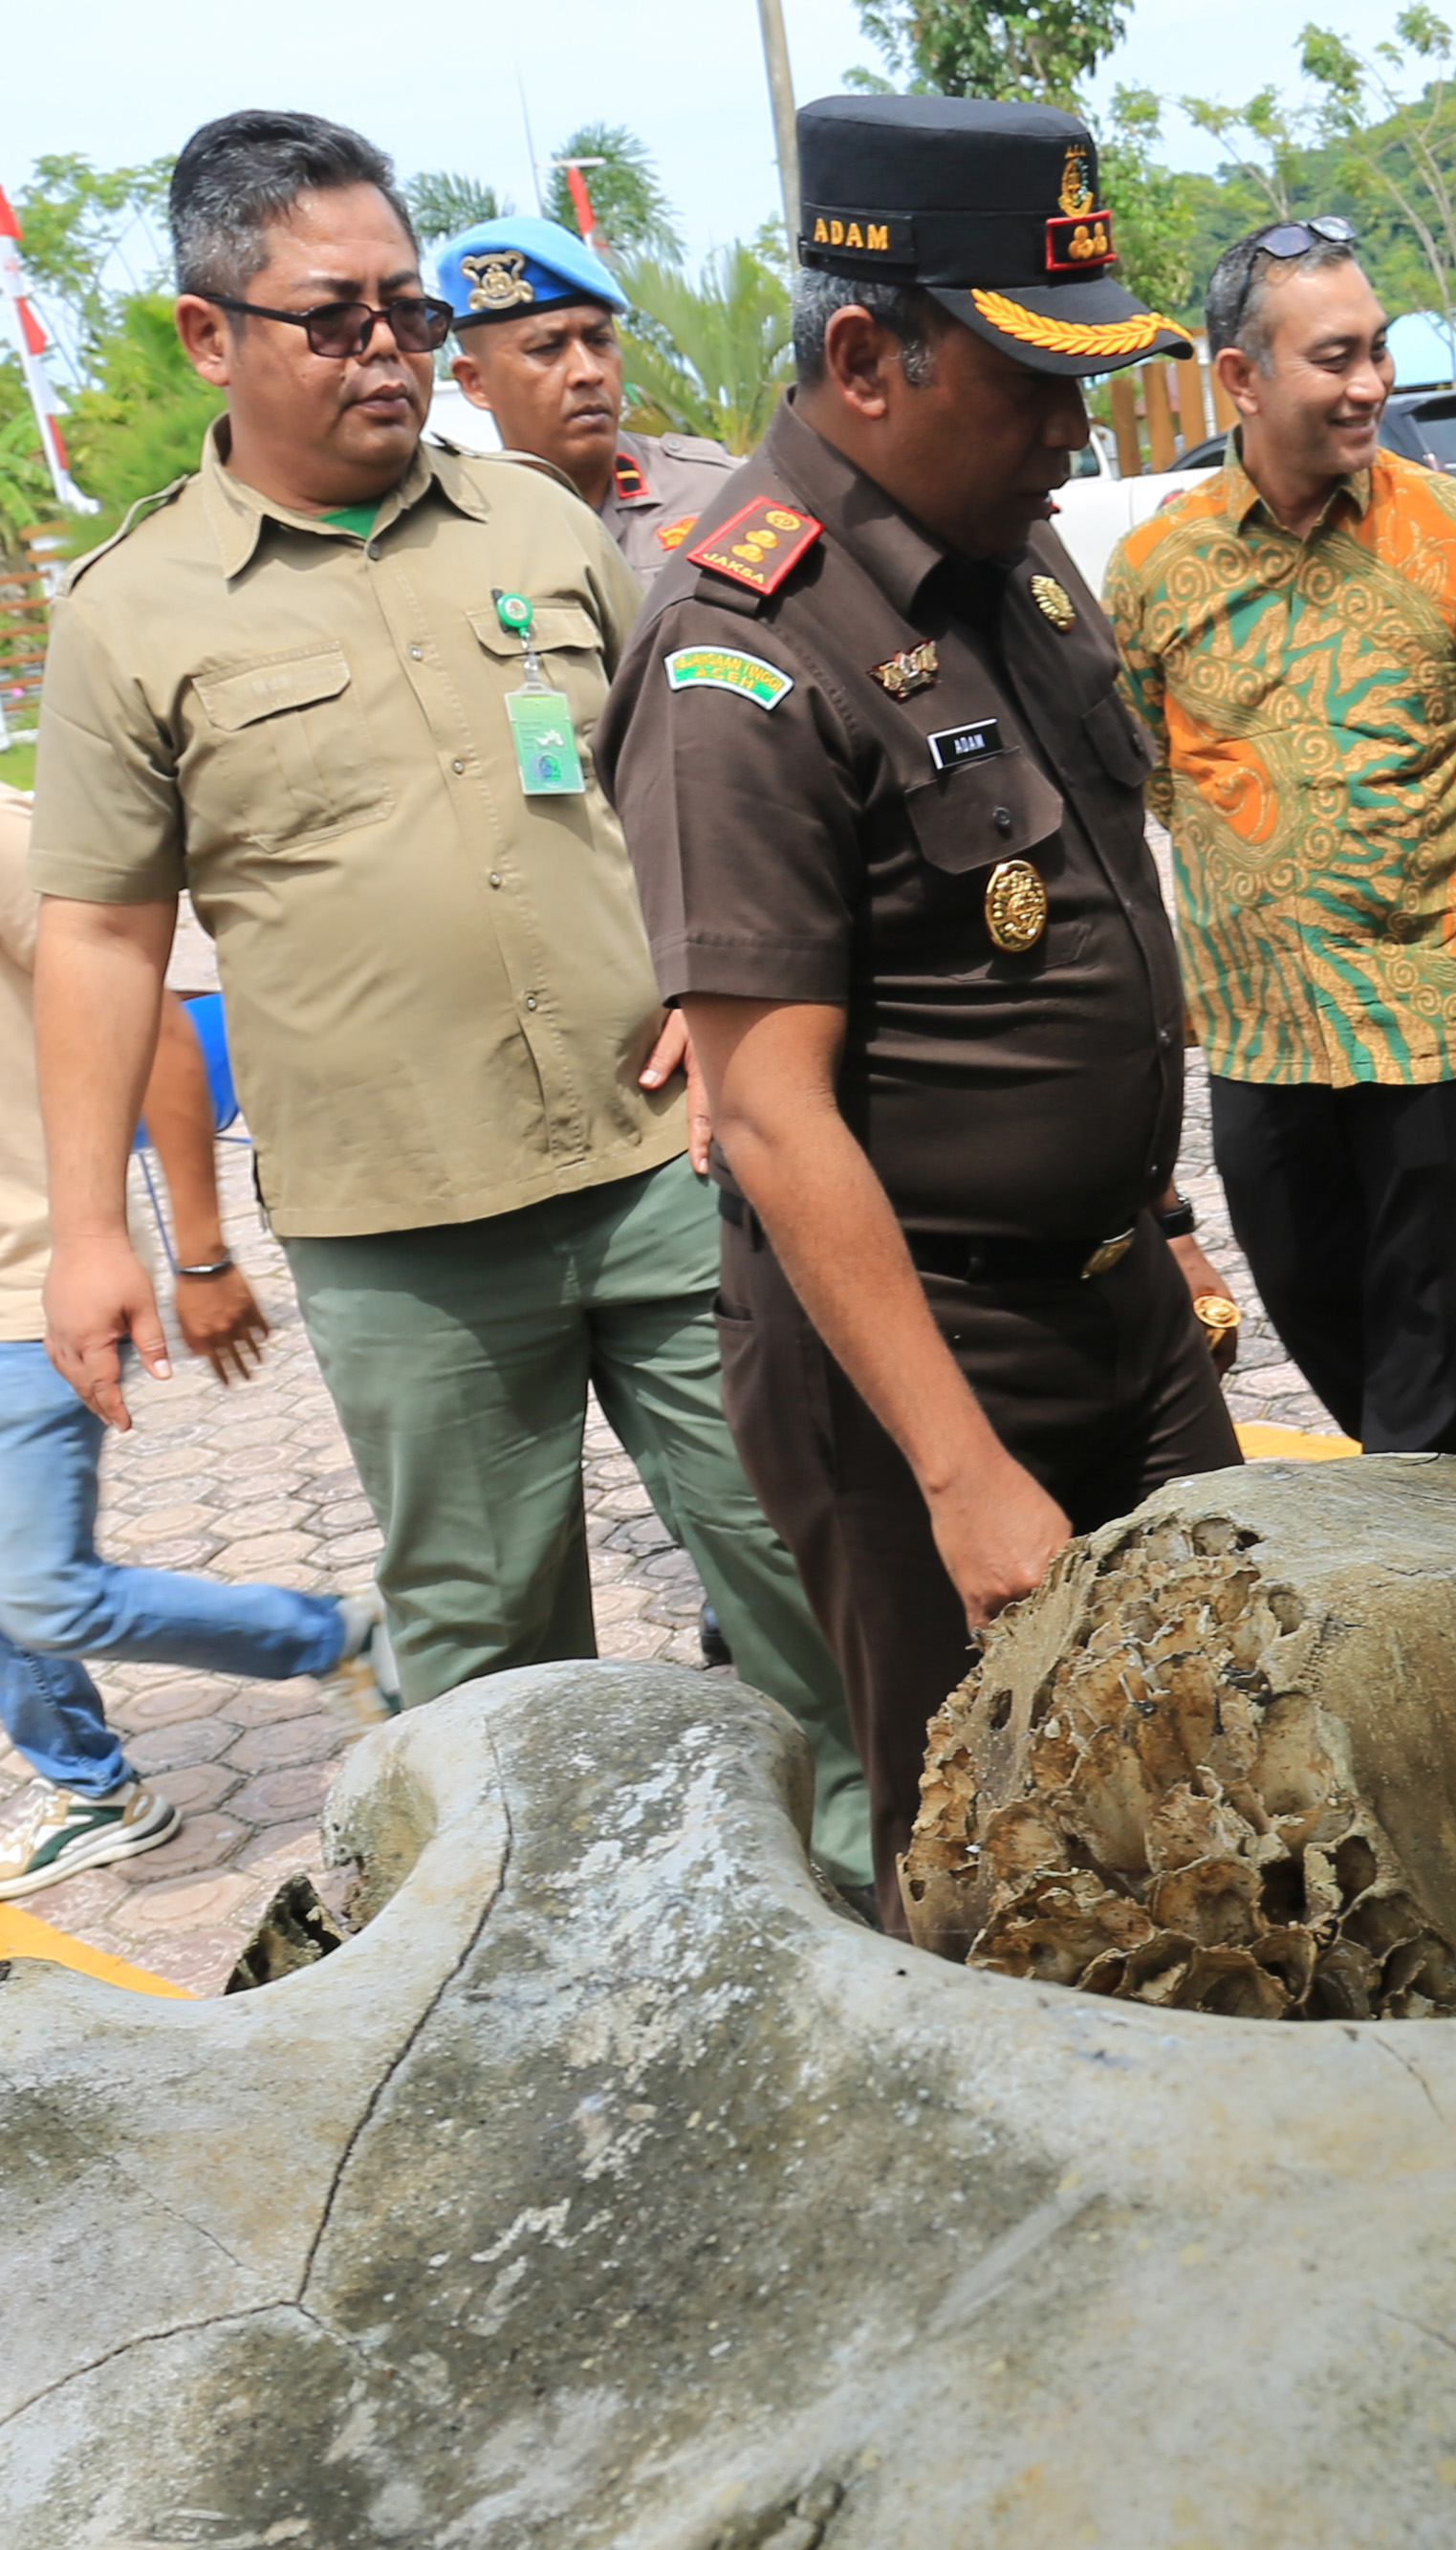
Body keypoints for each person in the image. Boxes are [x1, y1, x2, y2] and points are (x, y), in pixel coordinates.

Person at [28, 110, 868, 1893]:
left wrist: (729, 1020)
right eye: (335, 316)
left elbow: (680, 787)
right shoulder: (137, 608)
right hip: (406, 1233)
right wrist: (95, 1228)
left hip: (663, 1163)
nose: (392, 351)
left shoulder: (541, 522)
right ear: (210, 334)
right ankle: (540, 1970)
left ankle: (881, 1915)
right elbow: (99, 934)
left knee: (802, 1561)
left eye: (407, 311)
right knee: (492, 1655)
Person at [599, 92, 1241, 1914]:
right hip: (924, 1368)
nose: (1074, 425)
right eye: (1030, 376)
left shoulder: (1013, 550)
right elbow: (772, 1116)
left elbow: (1075, 952)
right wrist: (958, 1472)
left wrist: (1159, 1221)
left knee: (1208, 1774)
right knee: (994, 1847)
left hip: (1119, 1310)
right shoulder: (745, 643)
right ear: (868, 355)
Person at [1108, 216, 1456, 1456]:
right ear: (1240, 376)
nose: (1373, 386)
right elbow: (1156, 776)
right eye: (1337, 359)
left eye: (1379, 352)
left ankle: (1439, 1609)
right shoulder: (1154, 569)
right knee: (1326, 1329)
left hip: (1430, 1024)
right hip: (1260, 1034)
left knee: (1427, 1392)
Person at [1, 786, 387, 1901]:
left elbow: (161, 1030)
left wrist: (196, 1251)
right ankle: (93, 1792)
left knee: (42, 1596)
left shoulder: (12, 837)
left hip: (27, 1287)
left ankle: (332, 1638)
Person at [438, 213, 741, 571]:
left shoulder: (720, 492)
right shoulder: (455, 538)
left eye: (599, 342)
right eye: (546, 349)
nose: (588, 372)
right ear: (475, 382)